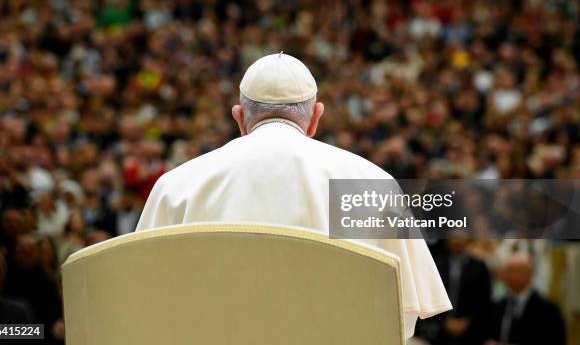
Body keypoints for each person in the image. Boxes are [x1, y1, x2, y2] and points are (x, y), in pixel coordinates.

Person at [136, 53, 452, 339]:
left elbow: (145, 301)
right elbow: (399, 316)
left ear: (239, 118)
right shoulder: (370, 183)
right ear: (316, 117)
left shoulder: (178, 186)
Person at [486, 252, 566, 345]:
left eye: (510, 271)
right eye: (505, 270)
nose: (504, 275)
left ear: (528, 274)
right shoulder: (498, 306)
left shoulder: (548, 310)